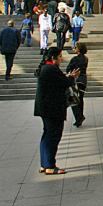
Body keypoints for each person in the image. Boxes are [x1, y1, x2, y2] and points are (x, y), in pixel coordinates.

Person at [34, 47, 80, 175]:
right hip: (52, 108)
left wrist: (68, 77)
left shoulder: (47, 68)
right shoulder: (51, 69)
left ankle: (45, 164)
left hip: (46, 107)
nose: (61, 59)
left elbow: (58, 82)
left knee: (47, 135)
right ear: (54, 58)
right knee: (53, 136)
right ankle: (50, 165)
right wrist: (72, 77)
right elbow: (64, 83)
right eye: (60, 56)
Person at [66, 43, 89, 127]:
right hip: (83, 79)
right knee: (80, 98)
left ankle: (79, 117)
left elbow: (68, 68)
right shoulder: (86, 58)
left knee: (73, 98)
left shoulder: (75, 58)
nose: (74, 48)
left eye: (76, 47)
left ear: (78, 49)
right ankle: (80, 116)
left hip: (76, 79)